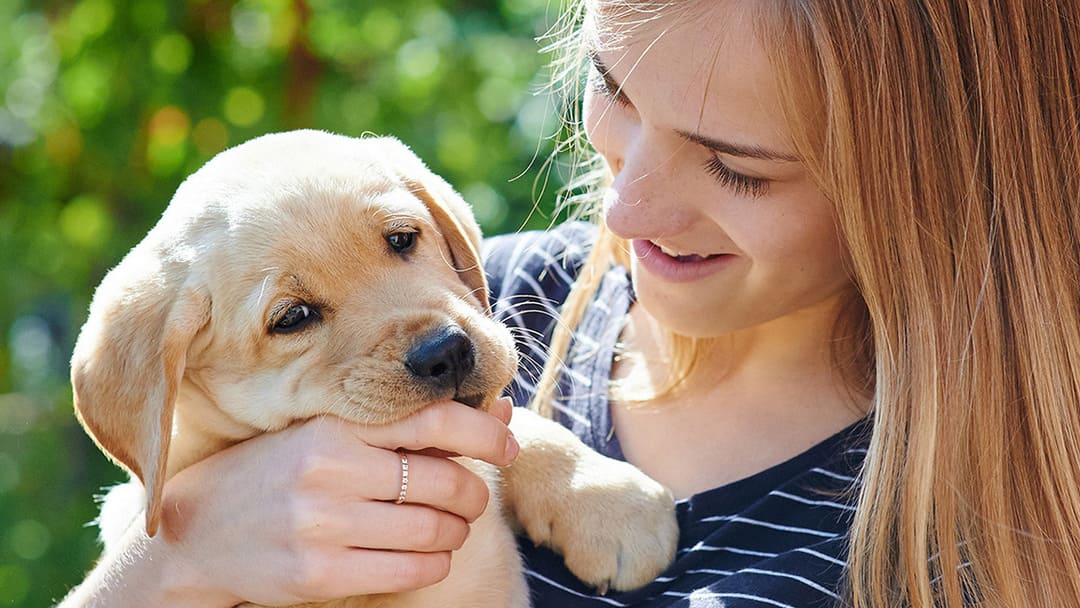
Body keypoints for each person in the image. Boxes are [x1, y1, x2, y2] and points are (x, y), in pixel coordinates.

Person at [60, 1, 1080, 607]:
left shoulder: (983, 532)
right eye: (616, 93)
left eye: (737, 168)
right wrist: (174, 553)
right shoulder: (503, 302)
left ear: (925, 178)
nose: (626, 210)